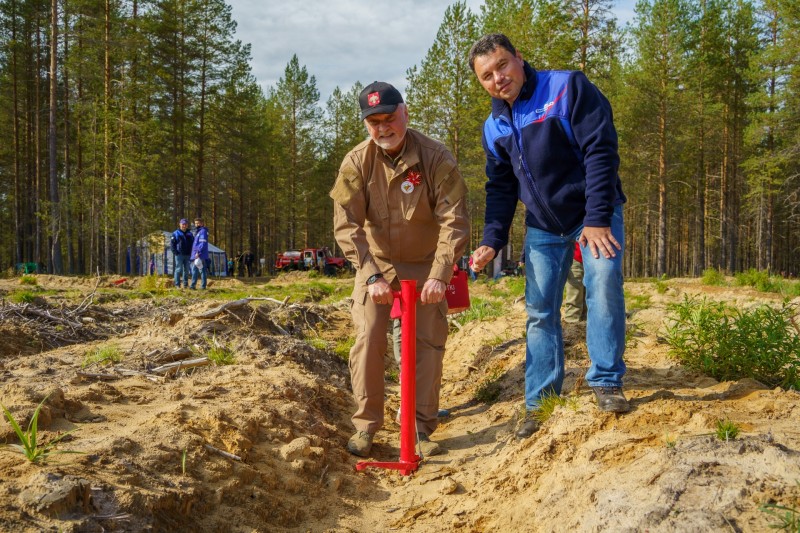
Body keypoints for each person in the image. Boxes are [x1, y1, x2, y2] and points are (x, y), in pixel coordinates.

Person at [468, 33, 629, 440]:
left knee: (603, 284)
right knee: (540, 311)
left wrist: (596, 218)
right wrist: (493, 238)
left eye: (502, 65)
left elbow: (601, 150)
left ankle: (606, 381)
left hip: (593, 215)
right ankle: (540, 402)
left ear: (519, 58)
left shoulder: (567, 87)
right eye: (487, 75)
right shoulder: (494, 126)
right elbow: (501, 187)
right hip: (543, 226)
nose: (498, 78)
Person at [331, 81, 469, 458]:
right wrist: (372, 274)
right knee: (369, 339)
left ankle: (420, 429)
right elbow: (347, 226)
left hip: (426, 266)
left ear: (405, 113)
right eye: (373, 122)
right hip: (375, 265)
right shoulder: (357, 162)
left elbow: (454, 221)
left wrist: (441, 274)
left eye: (389, 118)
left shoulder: (436, 157)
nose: (382, 128)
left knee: (425, 344)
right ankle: (366, 426)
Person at [563, 242, 587, 323]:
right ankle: (571, 324)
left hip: (594, 258)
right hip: (575, 256)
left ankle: (585, 324)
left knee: (589, 300)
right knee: (574, 298)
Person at [170, 219, 194, 288]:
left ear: (187, 225)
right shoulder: (175, 233)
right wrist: (175, 252)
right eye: (183, 224)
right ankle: (177, 284)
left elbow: (193, 244)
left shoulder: (190, 233)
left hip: (188, 255)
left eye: (185, 224)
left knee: (186, 270)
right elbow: (172, 244)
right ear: (180, 224)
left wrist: (192, 252)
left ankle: (185, 284)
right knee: (178, 269)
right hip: (179, 255)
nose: (184, 225)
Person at [190, 217, 210, 290]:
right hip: (196, 254)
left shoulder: (203, 231)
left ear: (202, 223)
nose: (196, 224)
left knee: (201, 270)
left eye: (198, 223)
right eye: (195, 223)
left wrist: (198, 252)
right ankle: (195, 286)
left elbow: (202, 243)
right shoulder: (198, 232)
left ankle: (201, 286)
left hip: (200, 255)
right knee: (196, 270)